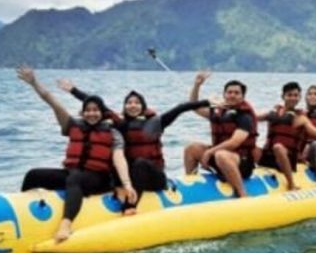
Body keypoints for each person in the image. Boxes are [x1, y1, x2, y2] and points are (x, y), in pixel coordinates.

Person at [16, 66, 134, 243]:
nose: (91, 113)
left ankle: (66, 224)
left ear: (102, 113)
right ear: (82, 112)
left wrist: (127, 184)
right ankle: (22, 213)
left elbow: (119, 158)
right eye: (88, 109)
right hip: (73, 174)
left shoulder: (112, 133)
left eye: (96, 110)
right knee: (34, 175)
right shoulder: (72, 125)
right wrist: (34, 83)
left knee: (75, 179)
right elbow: (53, 102)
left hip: (98, 179)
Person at [57, 81, 209, 215]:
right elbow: (99, 105)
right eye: (129, 103)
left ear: (143, 106)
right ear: (125, 106)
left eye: (137, 102)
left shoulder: (157, 122)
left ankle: (130, 205)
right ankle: (106, 190)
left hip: (155, 178)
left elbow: (181, 108)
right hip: (131, 177)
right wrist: (73, 90)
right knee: (113, 161)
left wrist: (207, 102)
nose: (133, 105)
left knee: (140, 163)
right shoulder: (121, 124)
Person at [257, 81, 316, 191]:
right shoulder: (273, 113)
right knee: (251, 148)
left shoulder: (301, 118)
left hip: (288, 157)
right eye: (289, 95)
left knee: (278, 147)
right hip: (268, 156)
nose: (293, 98)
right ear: (283, 96)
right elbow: (253, 118)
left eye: (295, 95)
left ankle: (291, 184)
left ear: (299, 97)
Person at [183, 72, 259, 198]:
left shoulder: (244, 116)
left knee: (221, 154)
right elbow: (194, 107)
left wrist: (210, 152)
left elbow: (235, 142)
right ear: (224, 94)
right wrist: (197, 85)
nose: (232, 95)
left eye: (236, 93)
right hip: (218, 158)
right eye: (229, 92)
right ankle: (191, 185)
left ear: (242, 97)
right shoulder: (218, 111)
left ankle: (242, 193)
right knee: (191, 148)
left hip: (242, 162)